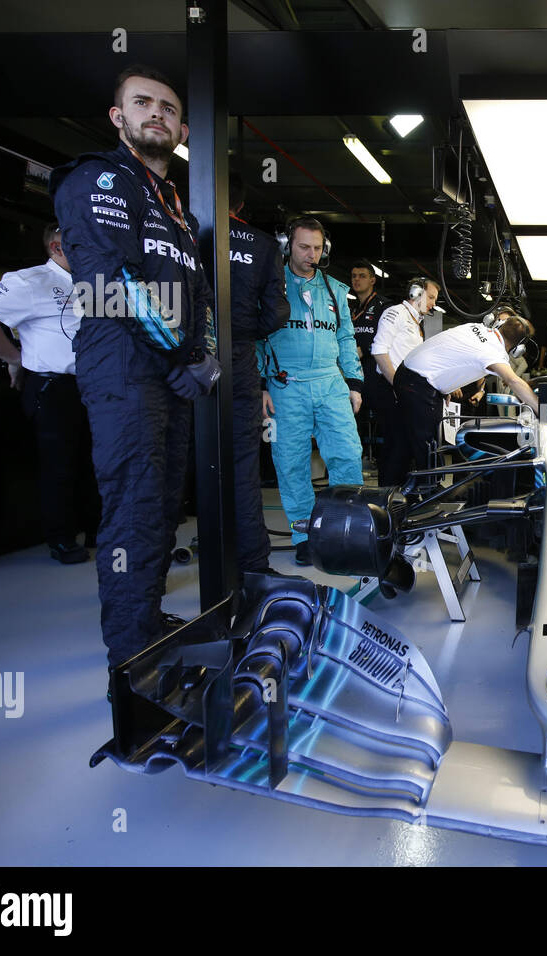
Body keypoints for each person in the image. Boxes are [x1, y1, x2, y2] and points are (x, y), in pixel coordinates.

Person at [50, 64, 221, 669]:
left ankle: (145, 621)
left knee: (164, 507)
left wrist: (200, 357)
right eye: (143, 103)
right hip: (123, 371)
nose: (158, 114)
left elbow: (196, 294)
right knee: (134, 509)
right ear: (118, 117)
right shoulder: (98, 179)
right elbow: (106, 282)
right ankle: (131, 661)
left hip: (170, 375)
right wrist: (181, 357)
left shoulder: (173, 203)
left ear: (182, 129)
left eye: (169, 108)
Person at [0, 222, 101, 564]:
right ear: (56, 248)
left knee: (97, 461)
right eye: (79, 244)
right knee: (60, 465)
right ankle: (62, 539)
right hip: (54, 385)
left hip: (97, 387)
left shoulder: (95, 282)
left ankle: (97, 529)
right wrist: (14, 357)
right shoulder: (28, 280)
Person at [258, 217, 363, 566]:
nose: (311, 254)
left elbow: (346, 338)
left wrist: (354, 382)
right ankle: (304, 535)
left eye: (317, 248)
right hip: (285, 386)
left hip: (331, 383)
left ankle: (345, 531)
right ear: (288, 246)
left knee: (347, 455)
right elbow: (255, 337)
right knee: (291, 465)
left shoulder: (334, 288)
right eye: (304, 247)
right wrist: (260, 384)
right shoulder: (271, 286)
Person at [227, 171, 289, 578]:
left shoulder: (180, 232)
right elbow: (277, 313)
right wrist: (243, 332)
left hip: (176, 359)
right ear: (242, 205)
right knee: (243, 466)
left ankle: (157, 576)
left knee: (165, 466)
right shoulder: (263, 246)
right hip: (237, 358)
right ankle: (253, 567)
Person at [394, 313, 538, 482]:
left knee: (413, 442)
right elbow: (513, 380)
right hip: (418, 384)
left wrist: (446, 384)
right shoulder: (493, 352)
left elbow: (449, 351)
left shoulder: (475, 327)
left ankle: (413, 491)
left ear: (499, 325)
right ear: (519, 348)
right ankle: (423, 497)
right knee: (424, 447)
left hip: (408, 374)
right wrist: (541, 409)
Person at [368, 277, 439, 484]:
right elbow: (379, 351)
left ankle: (402, 495)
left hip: (407, 391)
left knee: (407, 445)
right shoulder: (396, 313)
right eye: (431, 297)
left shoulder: (416, 321)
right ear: (416, 293)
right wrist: (398, 385)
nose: (434, 303)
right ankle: (388, 494)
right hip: (391, 389)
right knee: (396, 445)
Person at [345, 258, 394, 475]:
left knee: (386, 425)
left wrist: (363, 347)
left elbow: (387, 339)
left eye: (362, 276)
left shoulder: (385, 306)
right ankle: (354, 468)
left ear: (373, 280)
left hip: (378, 376)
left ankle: (388, 470)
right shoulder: (350, 306)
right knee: (351, 425)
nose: (357, 280)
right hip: (353, 376)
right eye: (354, 276)